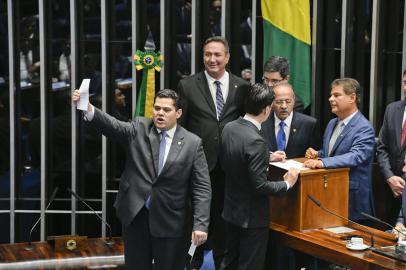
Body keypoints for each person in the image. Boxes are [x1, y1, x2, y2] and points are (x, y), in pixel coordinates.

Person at [72, 89, 211, 270]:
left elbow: (201, 187)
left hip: (171, 219)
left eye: (166, 110)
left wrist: (200, 224)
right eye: (157, 108)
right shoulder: (139, 128)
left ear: (178, 113)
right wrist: (88, 107)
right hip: (136, 215)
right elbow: (113, 126)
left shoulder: (193, 143)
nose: (160, 113)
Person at [177, 36, 248, 269]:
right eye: (208, 54)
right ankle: (193, 263)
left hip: (230, 167)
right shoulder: (187, 85)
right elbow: (182, 127)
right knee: (195, 218)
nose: (212, 59)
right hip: (198, 165)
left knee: (224, 220)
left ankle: (222, 265)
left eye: (217, 54)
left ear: (227, 57)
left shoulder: (242, 87)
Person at [219, 83, 299, 270]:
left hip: (231, 210)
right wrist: (286, 184)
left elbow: (235, 159)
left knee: (229, 262)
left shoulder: (230, 127)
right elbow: (260, 186)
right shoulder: (256, 140)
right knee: (249, 265)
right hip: (251, 217)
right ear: (266, 109)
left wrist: (267, 156)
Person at [304, 78, 375, 222]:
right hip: (330, 194)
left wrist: (322, 162)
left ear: (352, 98)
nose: (330, 99)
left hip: (352, 200)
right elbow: (331, 152)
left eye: (336, 95)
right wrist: (318, 154)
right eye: (331, 95)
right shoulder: (332, 123)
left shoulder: (364, 128)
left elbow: (356, 156)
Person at [261, 82, 320, 161]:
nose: (284, 106)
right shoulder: (262, 122)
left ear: (294, 100)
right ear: (271, 102)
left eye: (288, 101)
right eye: (279, 102)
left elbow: (316, 154)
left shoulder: (309, 124)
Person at [376, 70, 406, 224]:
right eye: (405, 83)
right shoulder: (392, 109)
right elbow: (382, 147)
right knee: (390, 233)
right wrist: (389, 177)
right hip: (391, 187)